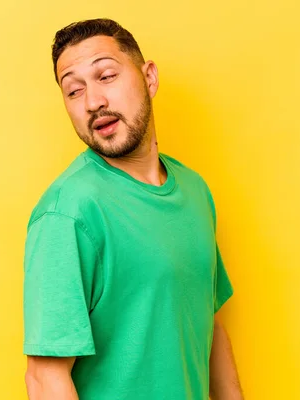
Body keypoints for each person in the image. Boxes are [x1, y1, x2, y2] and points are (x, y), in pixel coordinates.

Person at [23, 18, 243, 400]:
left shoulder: (194, 191)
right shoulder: (67, 214)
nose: (93, 102)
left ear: (150, 78)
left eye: (106, 76)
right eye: (74, 91)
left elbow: (209, 326)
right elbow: (45, 378)